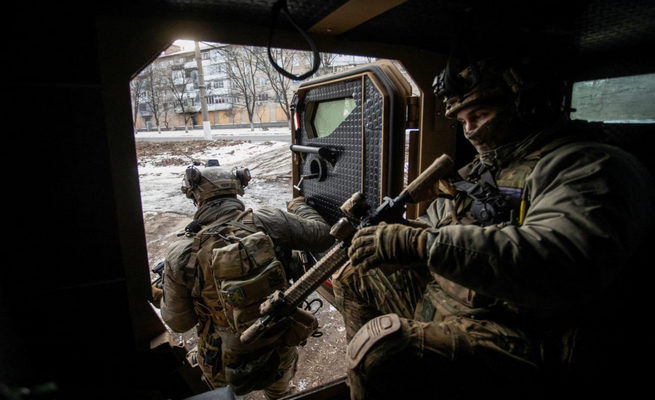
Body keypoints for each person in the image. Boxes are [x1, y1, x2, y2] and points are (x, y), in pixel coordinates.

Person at [332, 56, 654, 399]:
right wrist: (391, 237)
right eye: (463, 120)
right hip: (457, 301)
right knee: (354, 275)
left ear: (527, 107)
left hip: (522, 332)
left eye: (480, 115)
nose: (470, 129)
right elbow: (436, 227)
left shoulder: (587, 166)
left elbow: (562, 259)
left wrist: (418, 244)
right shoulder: (478, 171)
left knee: (380, 353)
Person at [151, 160, 334, 399]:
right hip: (278, 343)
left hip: (222, 361)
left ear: (197, 199)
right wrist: (299, 205)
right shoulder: (271, 220)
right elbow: (324, 236)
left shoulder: (181, 254)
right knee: (280, 394)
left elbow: (179, 323)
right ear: (236, 191)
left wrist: (161, 292)